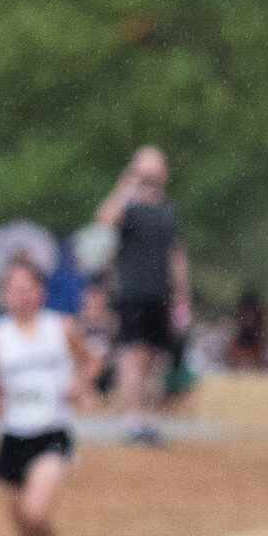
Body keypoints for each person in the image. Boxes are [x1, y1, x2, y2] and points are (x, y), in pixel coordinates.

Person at [0, 257, 92, 536]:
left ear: (41, 292)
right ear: (5, 295)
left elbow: (91, 362)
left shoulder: (60, 328)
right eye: (15, 290)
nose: (22, 296)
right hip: (12, 435)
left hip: (51, 431)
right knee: (22, 523)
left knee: (35, 512)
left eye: (29, 289)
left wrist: (80, 384)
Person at [98, 146, 189, 445]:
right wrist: (127, 185)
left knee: (155, 358)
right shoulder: (128, 207)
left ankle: (148, 417)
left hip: (160, 292)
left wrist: (182, 295)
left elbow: (176, 254)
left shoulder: (167, 209)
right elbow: (105, 219)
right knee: (132, 355)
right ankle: (132, 419)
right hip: (132, 292)